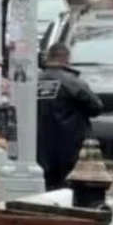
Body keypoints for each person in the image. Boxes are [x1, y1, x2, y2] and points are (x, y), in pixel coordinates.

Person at [37, 44, 104, 190]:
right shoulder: (73, 82)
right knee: (69, 187)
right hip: (70, 144)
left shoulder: (33, 81)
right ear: (67, 59)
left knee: (46, 186)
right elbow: (96, 107)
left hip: (39, 147)